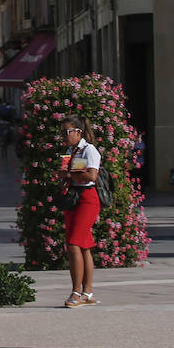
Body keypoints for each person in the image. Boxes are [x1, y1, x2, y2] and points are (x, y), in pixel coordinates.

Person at [61, 116, 102, 307]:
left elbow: (92, 175)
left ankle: (76, 292)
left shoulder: (89, 150)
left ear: (78, 132)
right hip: (74, 197)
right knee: (83, 244)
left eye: (66, 132)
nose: (63, 136)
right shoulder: (71, 151)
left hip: (87, 197)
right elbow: (72, 174)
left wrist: (70, 174)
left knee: (74, 243)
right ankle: (87, 292)